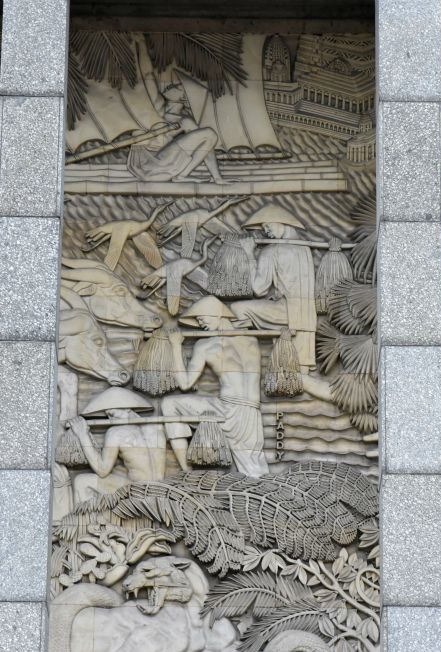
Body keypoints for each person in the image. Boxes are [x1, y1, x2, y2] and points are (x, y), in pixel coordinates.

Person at [161, 296, 269, 477]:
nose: (200, 322)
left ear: (217, 314)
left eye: (203, 318)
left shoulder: (206, 345)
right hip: (250, 412)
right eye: (198, 320)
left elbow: (185, 383)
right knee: (254, 470)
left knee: (168, 404)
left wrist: (175, 346)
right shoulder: (252, 339)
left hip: (229, 410)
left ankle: (186, 471)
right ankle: (186, 471)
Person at [129, 38, 228, 184]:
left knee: (209, 134)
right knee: (208, 134)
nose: (170, 85)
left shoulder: (184, 121)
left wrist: (217, 177)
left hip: (158, 168)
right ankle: (182, 176)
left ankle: (182, 176)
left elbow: (208, 147)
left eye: (178, 86)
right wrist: (142, 44)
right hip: (147, 166)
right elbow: (147, 75)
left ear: (185, 98)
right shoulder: (159, 107)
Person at [230, 205, 317, 370]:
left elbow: (259, 289)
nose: (265, 231)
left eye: (268, 226)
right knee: (301, 369)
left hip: (286, 313)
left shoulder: (271, 251)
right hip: (306, 315)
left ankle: (239, 356)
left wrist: (249, 254)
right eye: (263, 228)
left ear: (282, 222)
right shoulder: (305, 249)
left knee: (236, 308)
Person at [67, 387, 171, 500]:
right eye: (108, 416)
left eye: (112, 414)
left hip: (138, 491)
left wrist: (83, 435)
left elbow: (102, 470)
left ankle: (85, 517)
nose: (110, 419)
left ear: (127, 408)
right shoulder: (157, 426)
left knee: (81, 481)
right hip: (159, 490)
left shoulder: (116, 433)